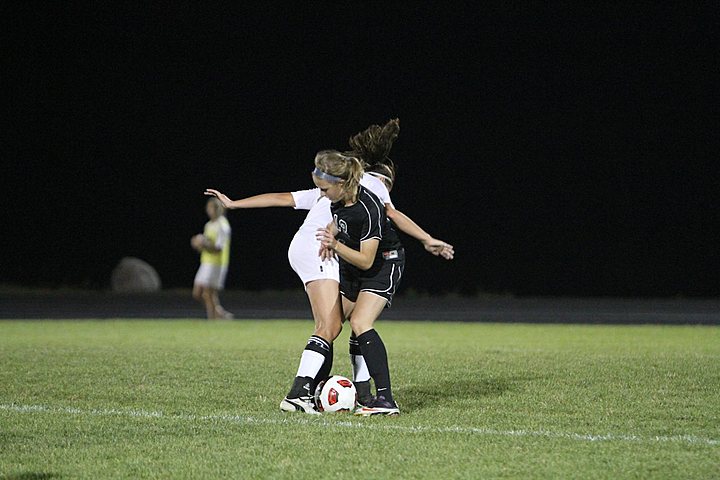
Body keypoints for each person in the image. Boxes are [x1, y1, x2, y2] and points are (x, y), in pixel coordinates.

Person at [314, 150, 405, 415]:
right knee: (329, 325)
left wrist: (336, 245)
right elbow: (338, 223)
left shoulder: (369, 207)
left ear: (341, 184)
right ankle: (311, 390)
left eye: (324, 188)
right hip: (354, 266)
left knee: (360, 323)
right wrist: (329, 237)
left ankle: (386, 400)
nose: (322, 194)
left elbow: (367, 260)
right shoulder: (338, 200)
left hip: (384, 264)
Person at [191, 197, 233, 320]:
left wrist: (203, 244)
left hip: (217, 263)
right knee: (197, 293)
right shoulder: (208, 225)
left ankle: (212, 318)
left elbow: (218, 248)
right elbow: (207, 244)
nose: (210, 210)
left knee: (208, 293)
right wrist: (198, 244)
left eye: (212, 208)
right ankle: (219, 313)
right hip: (206, 262)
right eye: (208, 208)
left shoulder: (222, 225)